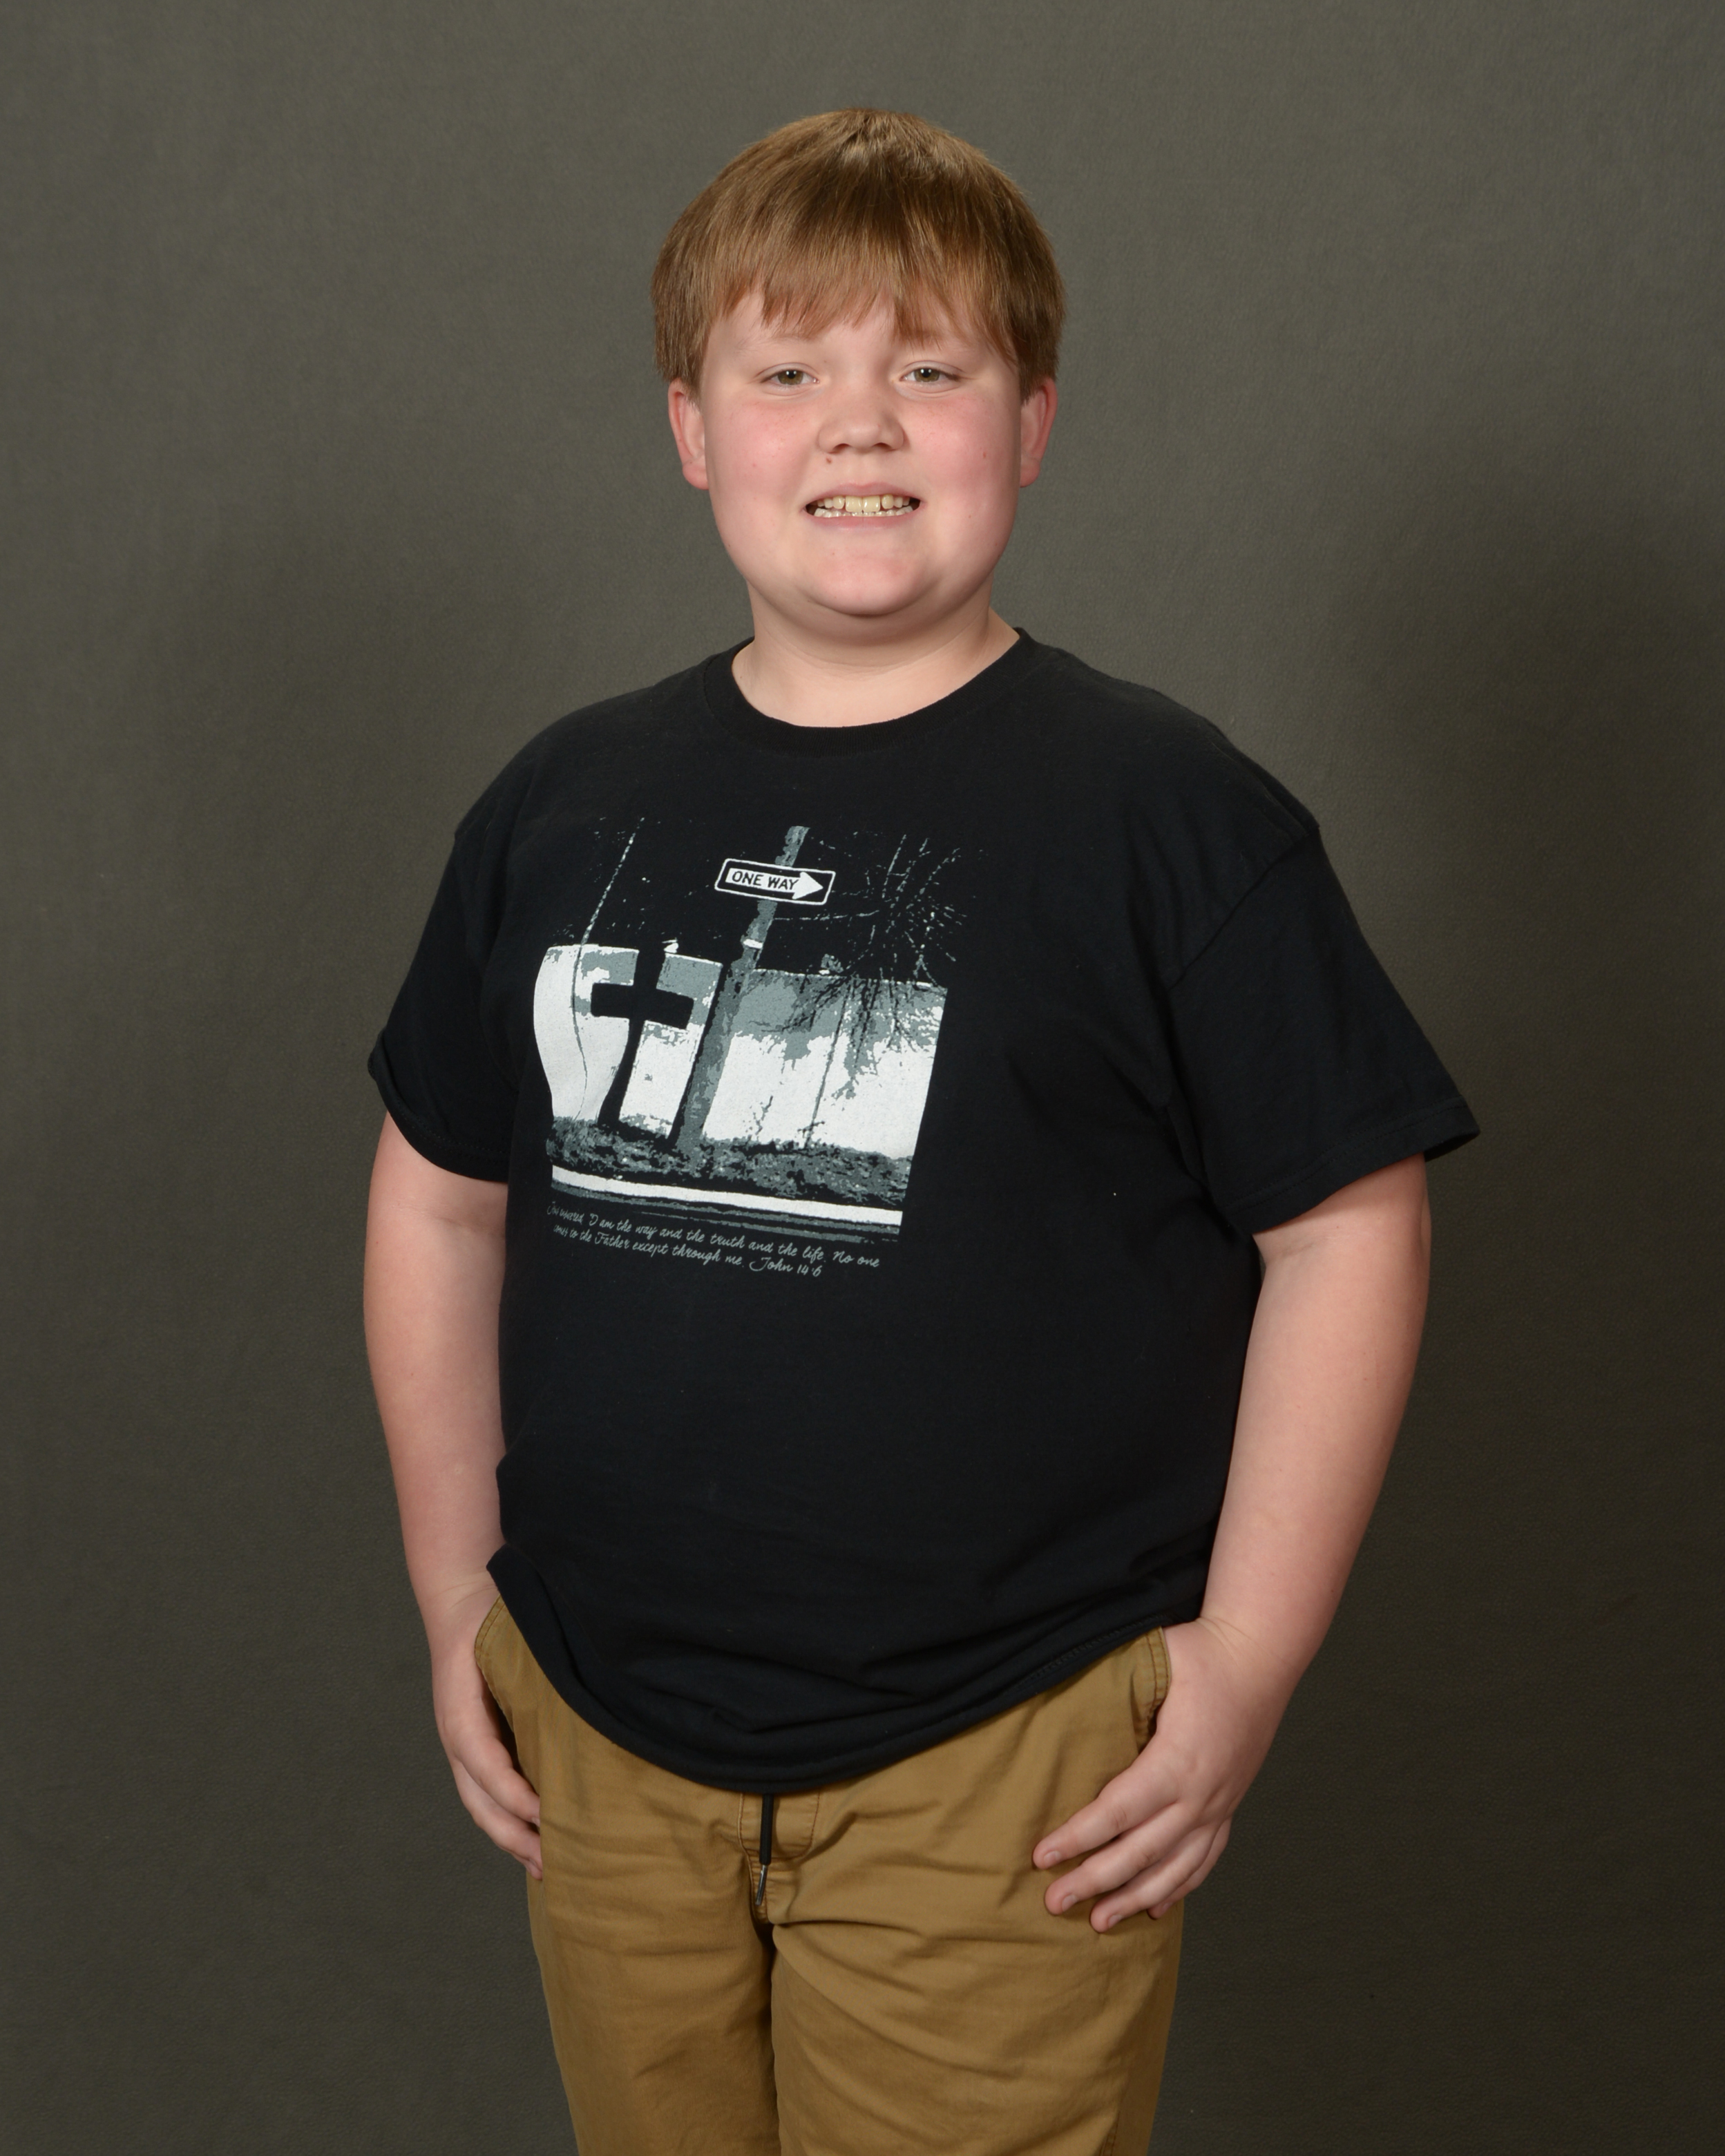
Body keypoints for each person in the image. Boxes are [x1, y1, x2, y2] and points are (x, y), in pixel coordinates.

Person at [363, 108, 1477, 2156]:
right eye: (786, 369)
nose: (857, 424)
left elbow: (1348, 1223)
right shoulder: (562, 805)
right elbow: (440, 1202)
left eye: (932, 368)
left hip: (1006, 1752)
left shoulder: (1165, 818)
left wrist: (1245, 1658)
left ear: (1031, 422)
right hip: (605, 1728)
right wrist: (458, 1596)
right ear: (690, 428)